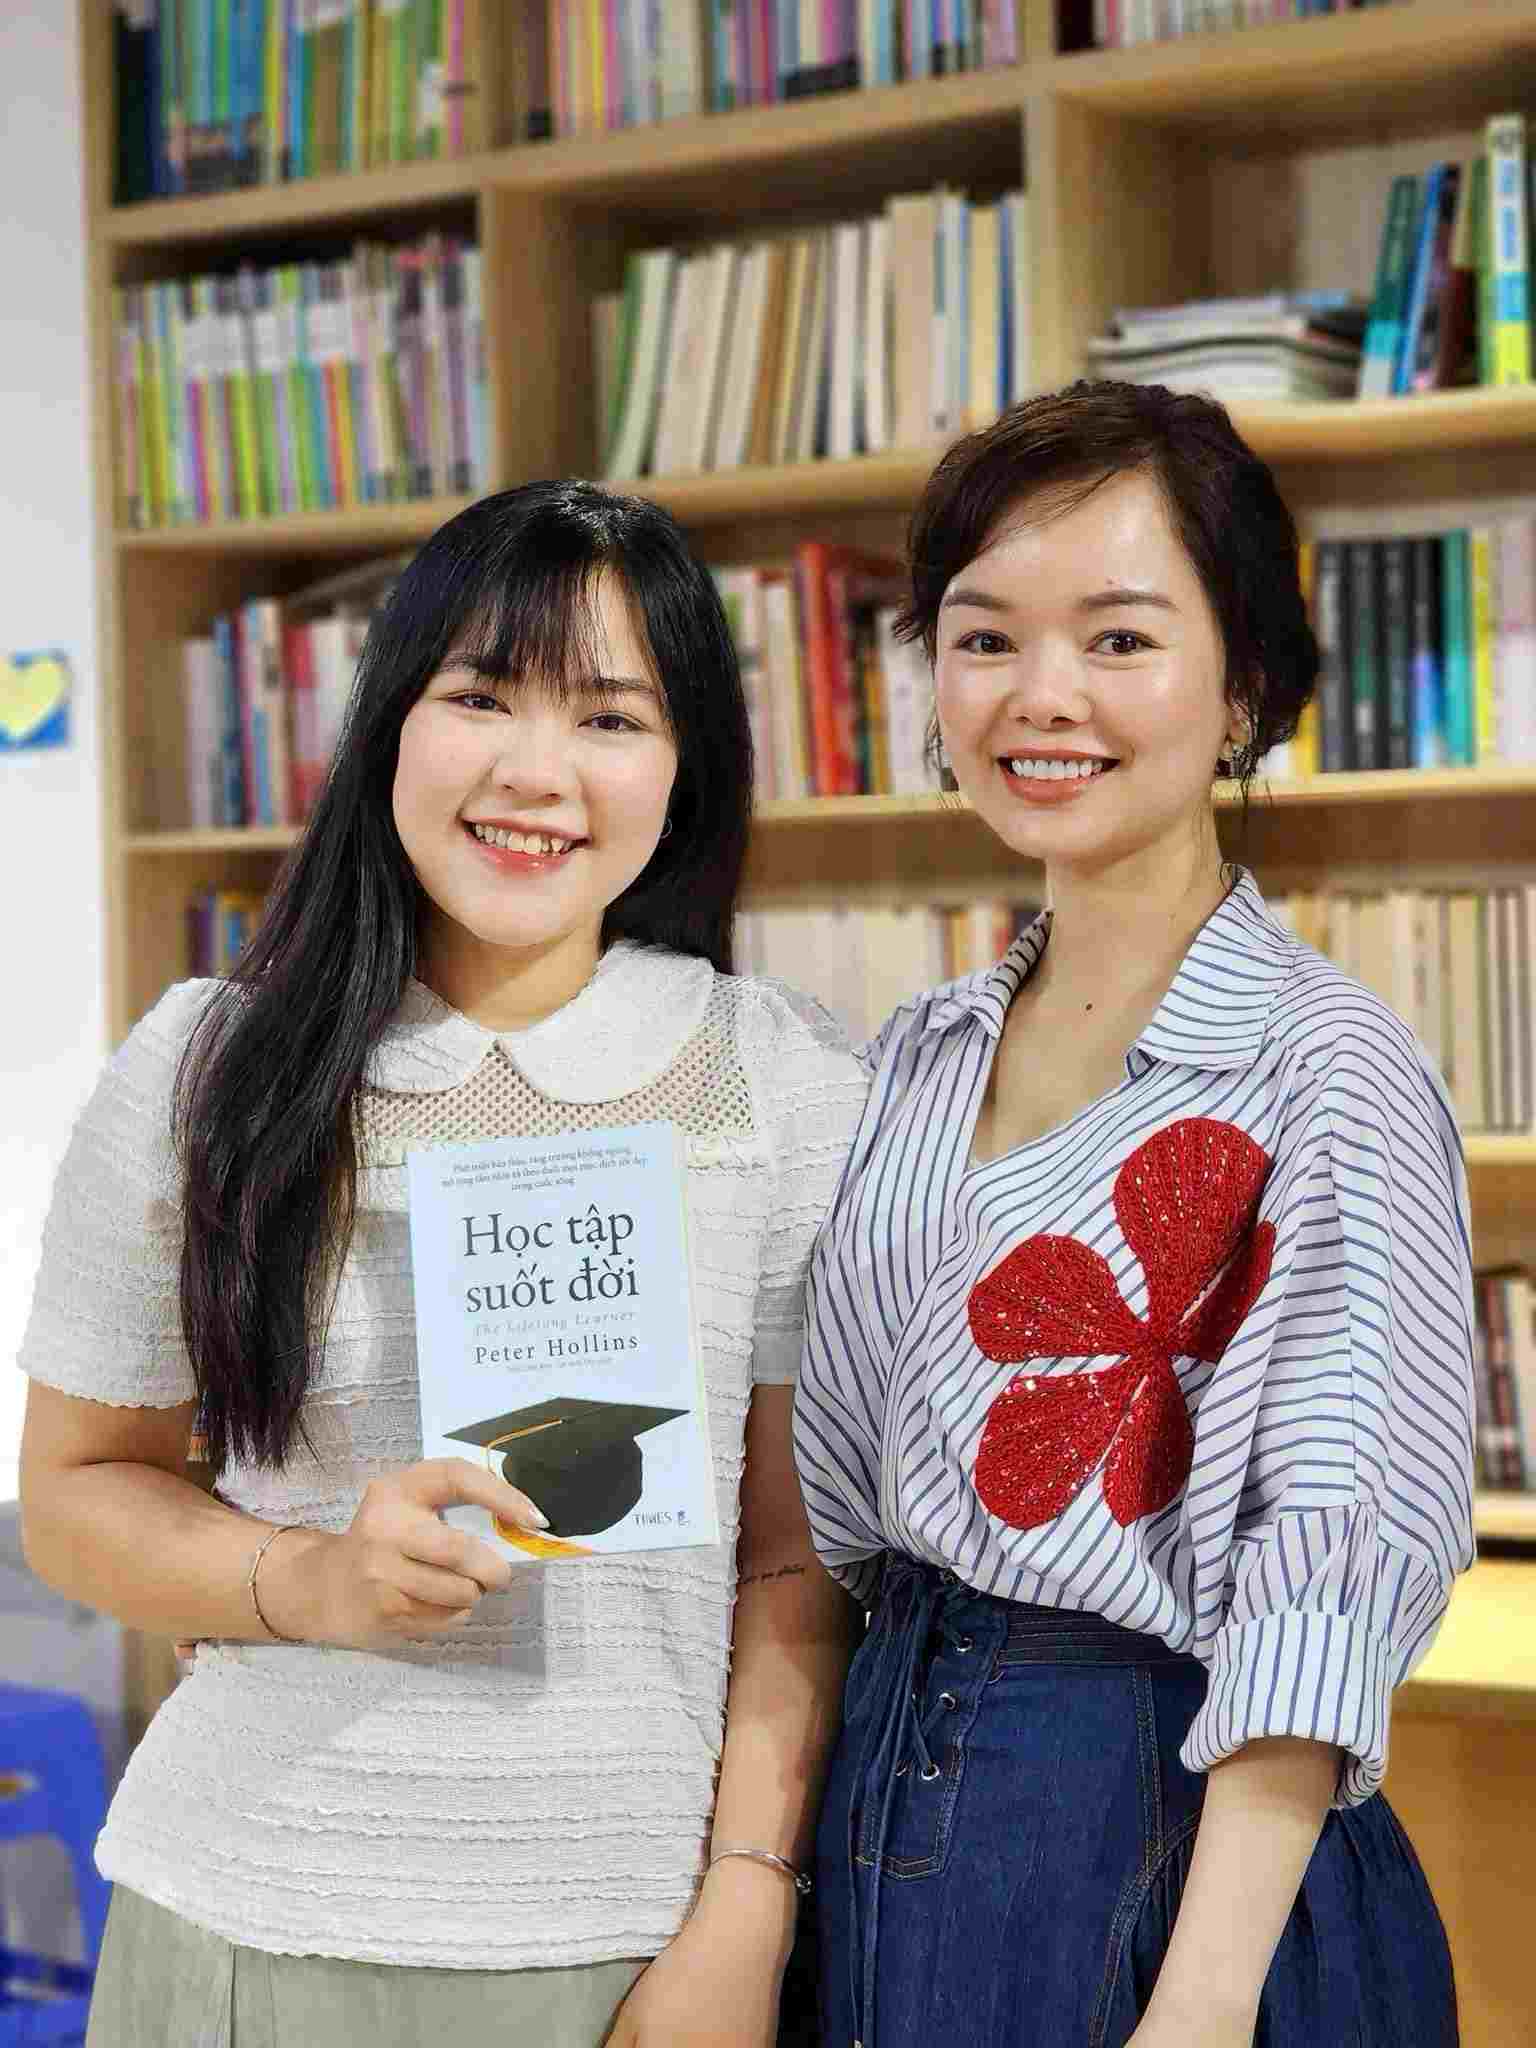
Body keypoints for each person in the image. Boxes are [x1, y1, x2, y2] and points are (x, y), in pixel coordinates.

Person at [18, 481, 865, 2048]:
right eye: (480, 695)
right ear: (388, 722)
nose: (537, 773)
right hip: (238, 1918)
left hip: (627, 1950)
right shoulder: (210, 1067)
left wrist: (749, 1901)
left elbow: (793, 1566)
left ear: (686, 770)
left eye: (613, 717)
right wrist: (315, 1577)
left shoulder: (783, 1081)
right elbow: (75, 1492)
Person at [794, 382, 1476, 2048]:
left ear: (1243, 686)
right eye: (983, 639)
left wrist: (1201, 2003)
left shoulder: (1327, 1068)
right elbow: (823, 1506)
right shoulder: (910, 1059)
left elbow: (1328, 1563)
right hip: (892, 1783)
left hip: (1167, 1845)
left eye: (1117, 640)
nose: (1041, 698)